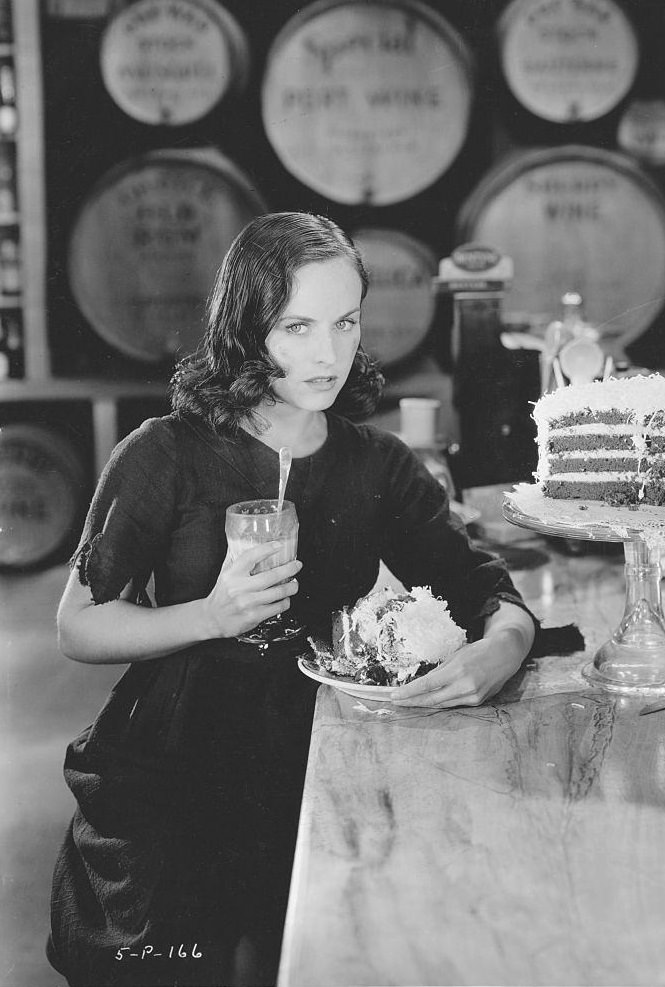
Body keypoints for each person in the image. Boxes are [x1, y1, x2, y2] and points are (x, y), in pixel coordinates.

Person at [48, 212, 537, 987]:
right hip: (174, 769)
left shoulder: (373, 461)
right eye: (295, 326)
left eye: (344, 323)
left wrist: (502, 644)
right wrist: (209, 615)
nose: (327, 353)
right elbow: (76, 625)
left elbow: (484, 586)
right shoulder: (161, 453)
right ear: (246, 328)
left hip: (318, 763)